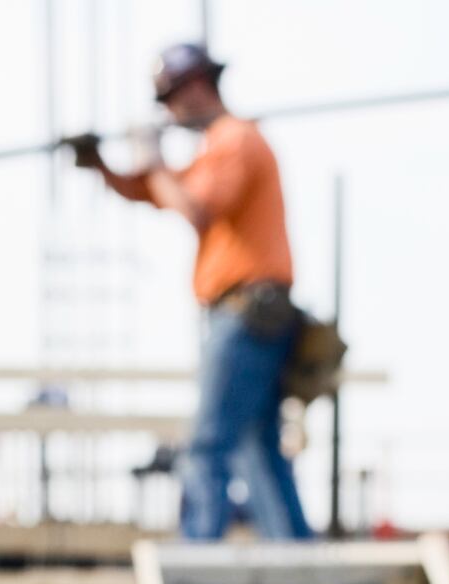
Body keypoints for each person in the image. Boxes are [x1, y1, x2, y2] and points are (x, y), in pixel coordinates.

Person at [74, 42, 310, 541]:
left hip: (246, 313)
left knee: (208, 443)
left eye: (171, 99)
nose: (169, 112)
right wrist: (103, 166)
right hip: (253, 314)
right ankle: (296, 556)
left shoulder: (235, 140)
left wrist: (151, 154)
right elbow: (156, 191)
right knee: (257, 446)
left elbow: (196, 208)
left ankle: (199, 554)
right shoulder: (218, 149)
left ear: (197, 87)